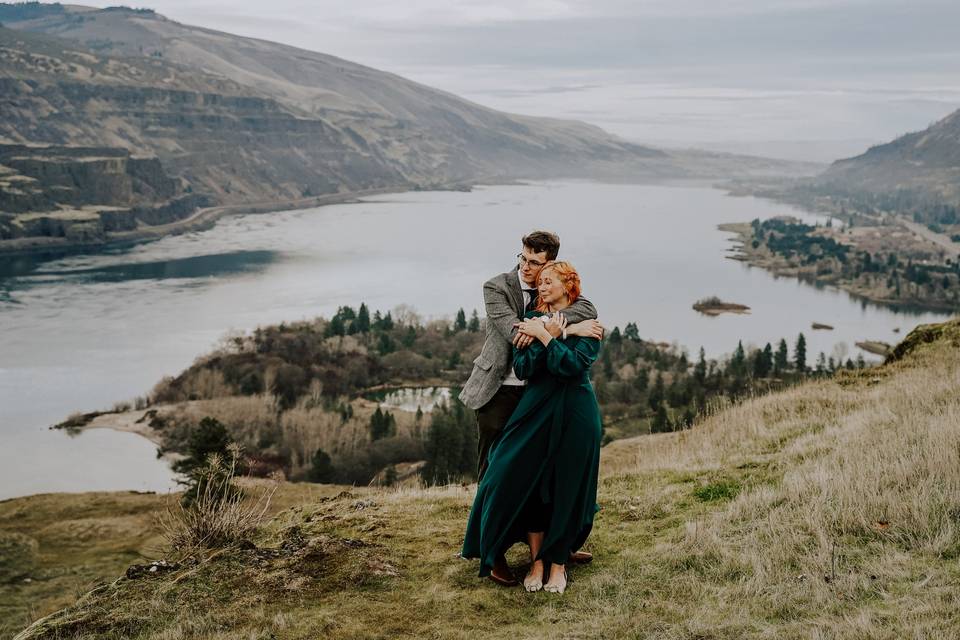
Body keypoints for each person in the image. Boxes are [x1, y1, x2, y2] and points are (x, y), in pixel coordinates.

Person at [459, 231, 602, 586]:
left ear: (549, 264)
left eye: (535, 264)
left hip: (539, 396)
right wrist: (562, 329)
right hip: (499, 392)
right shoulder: (497, 286)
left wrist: (563, 326)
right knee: (496, 471)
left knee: (544, 476)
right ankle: (495, 553)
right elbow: (515, 331)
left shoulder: (551, 288)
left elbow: (585, 307)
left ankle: (556, 549)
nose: (526, 268)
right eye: (523, 259)